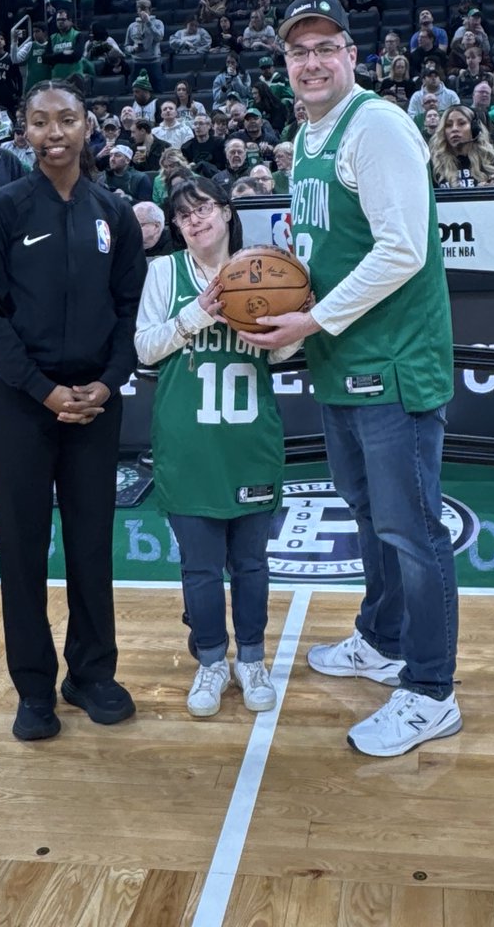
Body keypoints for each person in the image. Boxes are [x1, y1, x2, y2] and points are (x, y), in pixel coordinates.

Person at [244, 0, 459, 757]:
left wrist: (310, 322)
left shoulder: (377, 126)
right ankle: (383, 637)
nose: (311, 62)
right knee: (371, 514)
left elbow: (403, 249)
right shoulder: (308, 134)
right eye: (298, 51)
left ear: (351, 55)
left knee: (413, 529)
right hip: (343, 361)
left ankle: (431, 691)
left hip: (392, 364)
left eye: (324, 47)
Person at [0, 80, 147, 742]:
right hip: (20, 405)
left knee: (92, 544)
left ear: (87, 126)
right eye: (40, 122)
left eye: (66, 120)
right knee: (22, 549)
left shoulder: (114, 212)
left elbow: (130, 310)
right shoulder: (1, 210)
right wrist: (41, 389)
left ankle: (91, 674)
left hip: (95, 403)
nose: (54, 133)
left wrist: (108, 383)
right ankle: (34, 688)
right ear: (25, 132)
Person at [135, 178, 300, 716]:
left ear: (227, 213)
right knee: (200, 567)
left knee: (251, 563)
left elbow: (282, 355)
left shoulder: (265, 269)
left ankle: (251, 659)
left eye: (204, 208)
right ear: (176, 227)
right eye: (183, 215)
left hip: (250, 441)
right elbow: (144, 348)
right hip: (188, 442)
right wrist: (199, 314)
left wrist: (294, 317)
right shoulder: (164, 272)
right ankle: (210, 661)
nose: (195, 220)